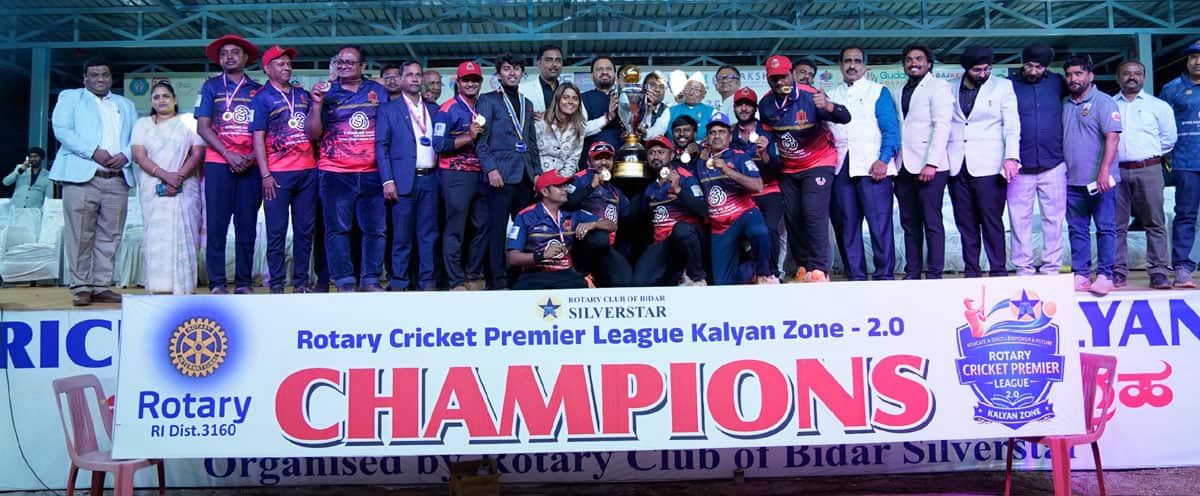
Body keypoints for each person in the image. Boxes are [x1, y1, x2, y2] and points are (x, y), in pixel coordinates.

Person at [49, 57, 137, 306]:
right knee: (80, 235)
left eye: (105, 75)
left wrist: (126, 155)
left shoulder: (125, 104)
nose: (100, 79)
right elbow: (62, 130)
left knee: (111, 235)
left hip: (117, 178)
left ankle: (101, 286)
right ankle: (80, 287)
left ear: (111, 78)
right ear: (85, 78)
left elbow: (136, 136)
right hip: (81, 177)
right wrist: (92, 151)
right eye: (95, 75)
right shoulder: (71, 97)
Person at [758, 54, 851, 283]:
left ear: (792, 74)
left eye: (783, 76)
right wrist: (764, 145)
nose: (780, 82)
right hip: (789, 168)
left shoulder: (811, 96)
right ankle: (803, 266)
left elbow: (845, 117)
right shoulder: (766, 103)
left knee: (812, 212)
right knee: (794, 217)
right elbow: (767, 134)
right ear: (768, 80)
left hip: (818, 162)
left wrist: (828, 106)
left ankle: (819, 269)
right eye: (774, 79)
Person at [305, 44, 389, 292]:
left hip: (373, 173)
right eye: (340, 62)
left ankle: (370, 279)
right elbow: (312, 133)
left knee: (376, 230)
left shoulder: (377, 91)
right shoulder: (326, 91)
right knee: (337, 230)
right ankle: (343, 282)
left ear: (363, 66)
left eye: (350, 62)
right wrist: (317, 104)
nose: (343, 66)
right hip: (335, 173)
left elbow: (388, 127)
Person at [827, 46, 900, 281]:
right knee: (846, 226)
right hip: (841, 167)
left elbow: (891, 129)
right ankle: (855, 277)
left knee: (879, 225)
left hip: (873, 166)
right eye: (847, 61)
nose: (852, 65)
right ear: (840, 65)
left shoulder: (877, 91)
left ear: (865, 66)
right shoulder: (831, 95)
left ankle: (884, 276)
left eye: (857, 61)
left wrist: (884, 159)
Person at [196, 34, 262, 294]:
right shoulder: (210, 87)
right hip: (218, 163)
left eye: (235, 52)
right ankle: (217, 283)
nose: (229, 57)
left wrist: (252, 156)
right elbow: (203, 127)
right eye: (224, 54)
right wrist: (228, 154)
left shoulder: (258, 89)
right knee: (216, 226)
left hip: (250, 165)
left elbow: (266, 130)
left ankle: (244, 282)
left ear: (245, 58)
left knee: (246, 226)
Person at [948, 45, 1021, 279]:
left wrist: (1011, 157)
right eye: (977, 70)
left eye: (987, 69)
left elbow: (1012, 125)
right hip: (957, 164)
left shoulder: (1003, 86)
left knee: (991, 221)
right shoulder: (949, 88)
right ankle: (972, 270)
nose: (983, 74)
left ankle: (998, 270)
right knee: (965, 222)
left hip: (990, 164)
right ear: (966, 69)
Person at [250, 45, 318, 294]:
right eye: (280, 64)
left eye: (289, 63)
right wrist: (265, 174)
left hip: (308, 171)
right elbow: (258, 138)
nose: (287, 67)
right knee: (276, 232)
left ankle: (301, 283)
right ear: (267, 69)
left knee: (304, 231)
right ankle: (277, 284)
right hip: (277, 175)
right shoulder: (261, 98)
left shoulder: (303, 95)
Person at [130, 81, 205, 295]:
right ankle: (157, 285)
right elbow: (138, 156)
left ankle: (183, 285)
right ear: (152, 102)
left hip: (185, 185)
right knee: (156, 234)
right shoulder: (143, 124)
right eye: (156, 97)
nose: (161, 100)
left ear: (175, 99)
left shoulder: (189, 121)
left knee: (186, 234)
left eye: (166, 96)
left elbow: (198, 153)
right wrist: (166, 176)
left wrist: (178, 177)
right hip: (153, 185)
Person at [476, 52, 541, 290]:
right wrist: (491, 170)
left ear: (522, 74)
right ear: (499, 74)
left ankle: (519, 278)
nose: (512, 73)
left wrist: (536, 174)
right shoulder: (488, 100)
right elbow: (481, 143)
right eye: (506, 69)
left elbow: (532, 143)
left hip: (524, 176)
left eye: (516, 69)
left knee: (523, 230)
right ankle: (497, 280)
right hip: (500, 177)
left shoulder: (527, 104)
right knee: (496, 230)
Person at [1112, 59, 1177, 290]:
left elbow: (1169, 138)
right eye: (1126, 73)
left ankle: (1158, 272)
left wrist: (1147, 155)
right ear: (1118, 77)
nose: (1132, 77)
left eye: (1137, 73)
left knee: (1155, 222)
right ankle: (1117, 272)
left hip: (1149, 168)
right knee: (1116, 224)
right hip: (1116, 170)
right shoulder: (1109, 105)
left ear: (1144, 77)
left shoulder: (1158, 106)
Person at [377, 60, 441, 291]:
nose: (414, 78)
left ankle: (427, 282)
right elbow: (381, 146)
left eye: (418, 75)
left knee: (428, 235)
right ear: (402, 79)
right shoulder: (388, 109)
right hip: (402, 180)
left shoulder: (433, 109)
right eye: (409, 75)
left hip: (431, 179)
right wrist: (388, 180)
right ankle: (399, 282)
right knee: (401, 236)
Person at [1062, 55, 1122, 296]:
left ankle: (1106, 275)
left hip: (1100, 181)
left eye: (1078, 73)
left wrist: (1104, 171)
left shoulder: (1104, 102)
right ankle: (1082, 274)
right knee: (1077, 229)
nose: (1073, 79)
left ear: (1090, 75)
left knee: (1105, 228)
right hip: (1071, 181)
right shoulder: (1065, 103)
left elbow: (1113, 137)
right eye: (1069, 74)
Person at [694, 113, 776, 285]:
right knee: (722, 284)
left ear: (730, 136)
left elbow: (758, 186)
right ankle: (749, 271)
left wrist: (727, 171)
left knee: (759, 232)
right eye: (712, 132)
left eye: (721, 132)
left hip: (744, 214)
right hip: (720, 226)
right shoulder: (701, 161)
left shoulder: (740, 156)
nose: (717, 136)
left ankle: (763, 272)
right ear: (707, 138)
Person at [895, 44, 953, 280]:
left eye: (919, 59)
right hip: (904, 165)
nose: (913, 63)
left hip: (930, 166)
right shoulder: (900, 89)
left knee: (932, 221)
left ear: (929, 63)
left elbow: (942, 125)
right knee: (909, 223)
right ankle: (912, 271)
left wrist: (932, 163)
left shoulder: (939, 87)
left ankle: (935, 273)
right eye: (909, 59)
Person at [1010, 43, 1068, 277]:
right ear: (1023, 63)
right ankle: (1023, 268)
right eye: (1029, 66)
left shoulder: (1057, 83)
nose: (1033, 71)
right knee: (1019, 220)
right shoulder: (1009, 85)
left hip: (1053, 164)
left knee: (1053, 219)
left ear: (1047, 67)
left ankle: (1051, 267)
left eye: (1039, 67)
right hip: (1019, 166)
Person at [507, 171, 617, 289]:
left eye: (565, 185)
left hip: (566, 273)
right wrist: (542, 255)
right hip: (535, 274)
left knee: (584, 288)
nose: (565, 189)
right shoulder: (525, 215)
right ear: (545, 192)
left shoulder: (573, 214)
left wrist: (593, 224)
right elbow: (512, 258)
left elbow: (611, 225)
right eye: (559, 186)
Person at [433, 61, 489, 291]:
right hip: (456, 174)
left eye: (475, 80)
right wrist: (468, 137)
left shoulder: (484, 106)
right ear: (458, 82)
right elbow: (438, 144)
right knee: (456, 229)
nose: (470, 84)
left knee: (482, 226)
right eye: (466, 80)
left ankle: (473, 274)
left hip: (481, 175)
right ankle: (455, 280)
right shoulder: (447, 109)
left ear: (480, 82)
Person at [633, 136, 708, 286]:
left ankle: (697, 277)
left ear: (672, 155)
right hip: (662, 243)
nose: (655, 157)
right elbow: (645, 220)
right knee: (639, 282)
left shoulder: (686, 177)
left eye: (661, 152)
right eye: (651, 153)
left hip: (688, 240)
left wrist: (679, 190)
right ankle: (675, 277)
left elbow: (704, 211)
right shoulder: (650, 187)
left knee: (681, 229)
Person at [565, 141, 634, 287]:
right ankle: (582, 273)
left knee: (625, 278)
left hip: (607, 247)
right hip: (581, 244)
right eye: (598, 158)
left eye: (608, 158)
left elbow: (628, 218)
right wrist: (591, 186)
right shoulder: (578, 179)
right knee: (600, 238)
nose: (603, 162)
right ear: (588, 161)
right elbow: (567, 204)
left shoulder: (615, 189)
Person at [731, 87, 782, 278]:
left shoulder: (768, 131)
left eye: (748, 105)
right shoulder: (729, 133)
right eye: (740, 105)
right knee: (737, 232)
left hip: (769, 189)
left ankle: (771, 274)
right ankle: (748, 273)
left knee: (770, 229)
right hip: (742, 193)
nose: (744, 109)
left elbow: (779, 167)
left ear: (755, 108)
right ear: (734, 108)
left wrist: (765, 154)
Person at [1162, 39, 1200, 288]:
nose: (1197, 61)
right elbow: (1162, 125)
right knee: (1186, 214)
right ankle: (1182, 268)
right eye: (1193, 57)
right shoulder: (1172, 89)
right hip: (1187, 162)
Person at [536, 82, 610, 177]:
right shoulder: (541, 122)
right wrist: (540, 178)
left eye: (575, 98)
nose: (570, 101)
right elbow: (532, 154)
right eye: (566, 97)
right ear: (557, 99)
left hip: (563, 180)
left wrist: (561, 181)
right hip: (538, 178)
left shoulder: (578, 129)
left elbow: (572, 161)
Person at [579, 57, 621, 168]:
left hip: (622, 162)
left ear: (615, 74)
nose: (604, 72)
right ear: (591, 76)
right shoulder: (582, 98)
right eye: (599, 69)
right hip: (592, 164)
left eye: (608, 69)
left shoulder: (625, 97)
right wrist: (607, 118)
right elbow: (580, 130)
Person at [668, 73, 714, 142]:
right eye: (689, 88)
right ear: (683, 90)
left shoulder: (712, 112)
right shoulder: (669, 111)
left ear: (704, 94)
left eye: (696, 90)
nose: (691, 93)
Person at [520, 44, 564, 114]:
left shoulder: (569, 90)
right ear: (539, 63)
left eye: (558, 60)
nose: (554, 64)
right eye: (548, 60)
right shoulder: (522, 90)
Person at [638, 71, 671, 140]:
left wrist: (645, 133)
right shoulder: (634, 106)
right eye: (653, 85)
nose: (657, 90)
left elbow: (658, 131)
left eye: (661, 87)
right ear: (643, 88)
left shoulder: (667, 111)